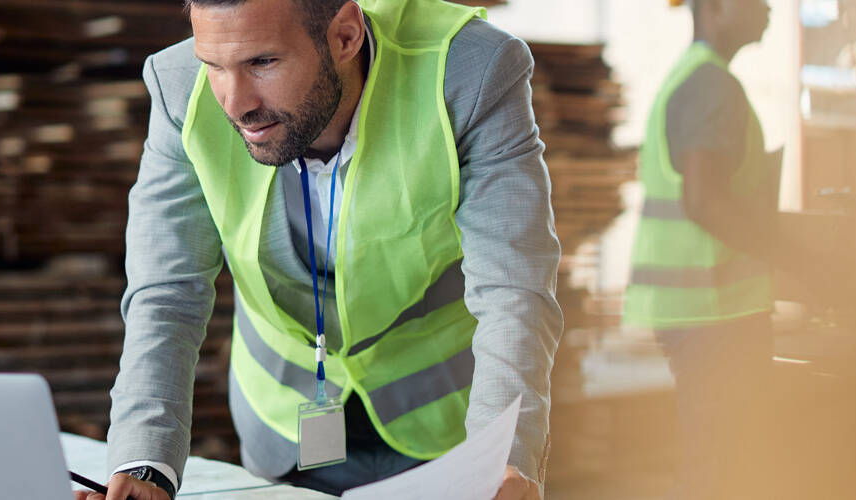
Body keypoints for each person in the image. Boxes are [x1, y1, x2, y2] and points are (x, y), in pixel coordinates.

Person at [73, 0, 561, 499]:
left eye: (262, 63)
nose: (235, 103)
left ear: (346, 36)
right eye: (214, 65)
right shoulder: (179, 86)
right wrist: (145, 463)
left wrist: (500, 459)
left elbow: (513, 288)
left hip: (444, 418)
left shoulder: (470, 71)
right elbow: (167, 293)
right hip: (282, 424)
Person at [623, 0, 789, 497]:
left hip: (702, 315)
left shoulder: (691, 77)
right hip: (715, 314)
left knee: (717, 460)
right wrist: (796, 258)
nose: (767, 8)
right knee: (724, 468)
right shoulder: (710, 84)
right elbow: (704, 201)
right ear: (715, 8)